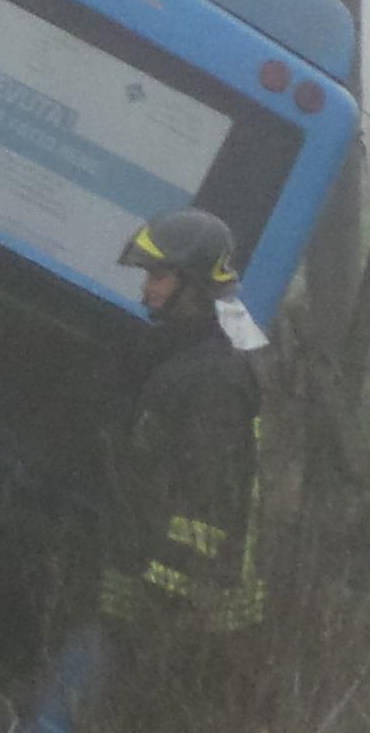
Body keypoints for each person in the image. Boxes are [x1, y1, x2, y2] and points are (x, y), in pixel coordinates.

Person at [103, 205, 266, 647]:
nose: (148, 288)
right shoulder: (179, 357)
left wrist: (166, 600)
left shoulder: (217, 377)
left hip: (195, 618)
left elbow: (206, 498)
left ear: (193, 284)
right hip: (152, 593)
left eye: (158, 276)